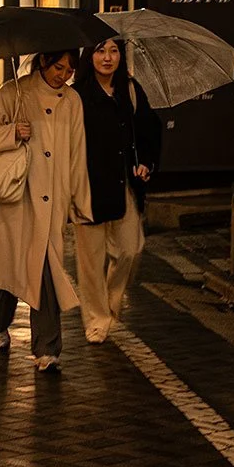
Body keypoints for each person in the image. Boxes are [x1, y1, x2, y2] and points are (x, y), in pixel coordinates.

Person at [0, 50, 88, 372]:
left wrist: (78, 201)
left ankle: (47, 348)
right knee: (9, 271)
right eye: (58, 67)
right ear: (44, 62)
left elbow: (78, 153)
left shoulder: (72, 101)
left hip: (51, 202)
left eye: (69, 70)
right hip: (15, 198)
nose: (62, 75)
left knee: (46, 272)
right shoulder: (15, 92)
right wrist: (11, 133)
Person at [73, 37, 164, 343]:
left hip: (123, 183)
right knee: (91, 261)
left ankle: (110, 305)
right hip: (87, 187)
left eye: (113, 51)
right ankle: (97, 319)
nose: (107, 57)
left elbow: (150, 129)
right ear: (90, 56)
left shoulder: (130, 90)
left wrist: (146, 162)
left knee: (130, 249)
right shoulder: (77, 96)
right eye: (100, 50)